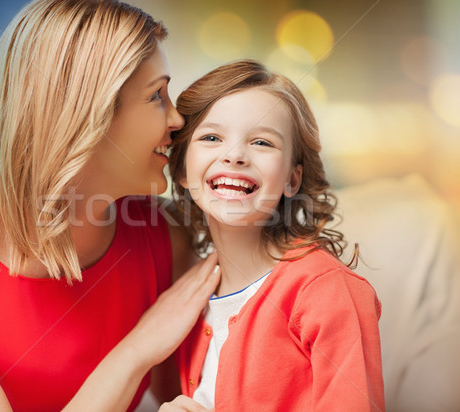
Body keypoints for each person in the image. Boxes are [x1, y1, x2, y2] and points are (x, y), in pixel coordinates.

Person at [0, 1, 221, 411]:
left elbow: (196, 396)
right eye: (156, 96)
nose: (177, 120)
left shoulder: (166, 238)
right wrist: (137, 349)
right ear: (86, 116)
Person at [165, 60, 385, 411]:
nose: (234, 155)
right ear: (180, 169)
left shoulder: (325, 290)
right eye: (211, 137)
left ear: (291, 180)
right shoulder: (189, 297)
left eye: (262, 142)